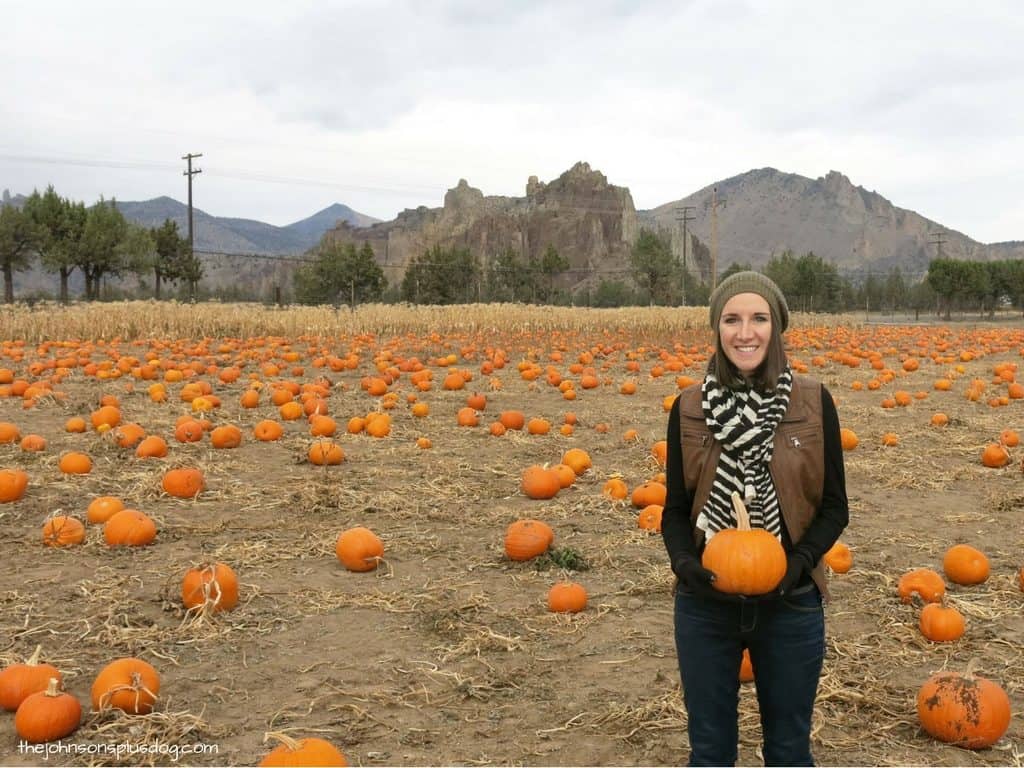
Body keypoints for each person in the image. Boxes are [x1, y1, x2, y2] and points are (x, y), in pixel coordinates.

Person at [661, 271, 849, 767]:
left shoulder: (812, 400)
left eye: (759, 318)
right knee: (710, 752)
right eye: (732, 319)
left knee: (788, 751)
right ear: (718, 329)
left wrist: (798, 562)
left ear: (777, 327)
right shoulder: (689, 406)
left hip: (791, 603)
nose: (746, 332)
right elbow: (676, 511)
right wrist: (684, 562)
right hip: (705, 607)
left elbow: (835, 507)